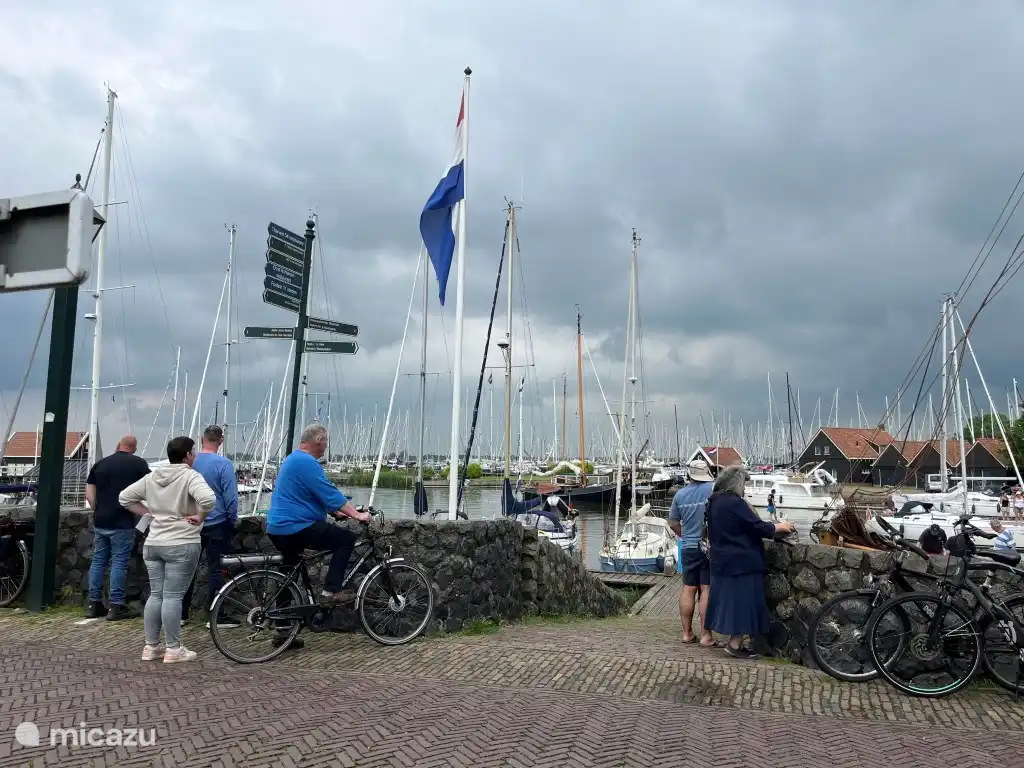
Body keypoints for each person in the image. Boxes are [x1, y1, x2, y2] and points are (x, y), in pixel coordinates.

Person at [119, 436, 215, 663]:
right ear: (188, 455)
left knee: (156, 595)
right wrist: (200, 516)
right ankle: (174, 648)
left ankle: (151, 646)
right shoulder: (190, 476)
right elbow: (209, 499)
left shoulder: (152, 477)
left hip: (154, 543)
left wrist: (148, 513)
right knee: (173, 597)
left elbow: (124, 498)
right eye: (194, 452)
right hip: (181, 542)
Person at [268, 424, 371, 605]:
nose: (326, 446)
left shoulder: (293, 458)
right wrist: (358, 515)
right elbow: (330, 493)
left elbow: (309, 495)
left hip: (278, 527)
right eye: (326, 441)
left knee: (289, 572)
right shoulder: (306, 462)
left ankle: (282, 623)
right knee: (345, 539)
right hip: (296, 526)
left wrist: (334, 512)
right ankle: (330, 592)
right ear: (318, 441)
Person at [703, 465, 795, 660]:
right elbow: (756, 526)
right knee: (744, 604)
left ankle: (735, 642)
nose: (745, 488)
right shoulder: (735, 503)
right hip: (742, 562)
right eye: (744, 483)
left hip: (722, 560)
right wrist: (780, 526)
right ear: (737, 483)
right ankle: (735, 644)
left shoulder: (714, 501)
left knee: (730, 603)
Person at [84, 435, 150, 621]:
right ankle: (116, 606)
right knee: (119, 562)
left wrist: (99, 509)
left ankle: (93, 604)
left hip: (101, 520)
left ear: (118, 445)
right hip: (122, 521)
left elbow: (89, 494)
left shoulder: (101, 464)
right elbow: (153, 487)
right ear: (134, 447)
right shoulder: (138, 464)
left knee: (98, 561)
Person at [181, 425, 241, 627]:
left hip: (191, 522)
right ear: (221, 441)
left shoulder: (190, 462)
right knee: (218, 569)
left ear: (201, 439)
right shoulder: (224, 464)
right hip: (217, 522)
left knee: (188, 568)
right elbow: (231, 497)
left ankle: (181, 614)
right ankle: (216, 615)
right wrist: (231, 520)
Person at [667, 459, 715, 646]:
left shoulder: (680, 495)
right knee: (706, 589)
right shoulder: (713, 490)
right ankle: (706, 635)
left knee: (688, 588)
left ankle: (687, 633)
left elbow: (672, 523)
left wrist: (685, 534)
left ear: (689, 474)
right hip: (708, 546)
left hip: (688, 547)